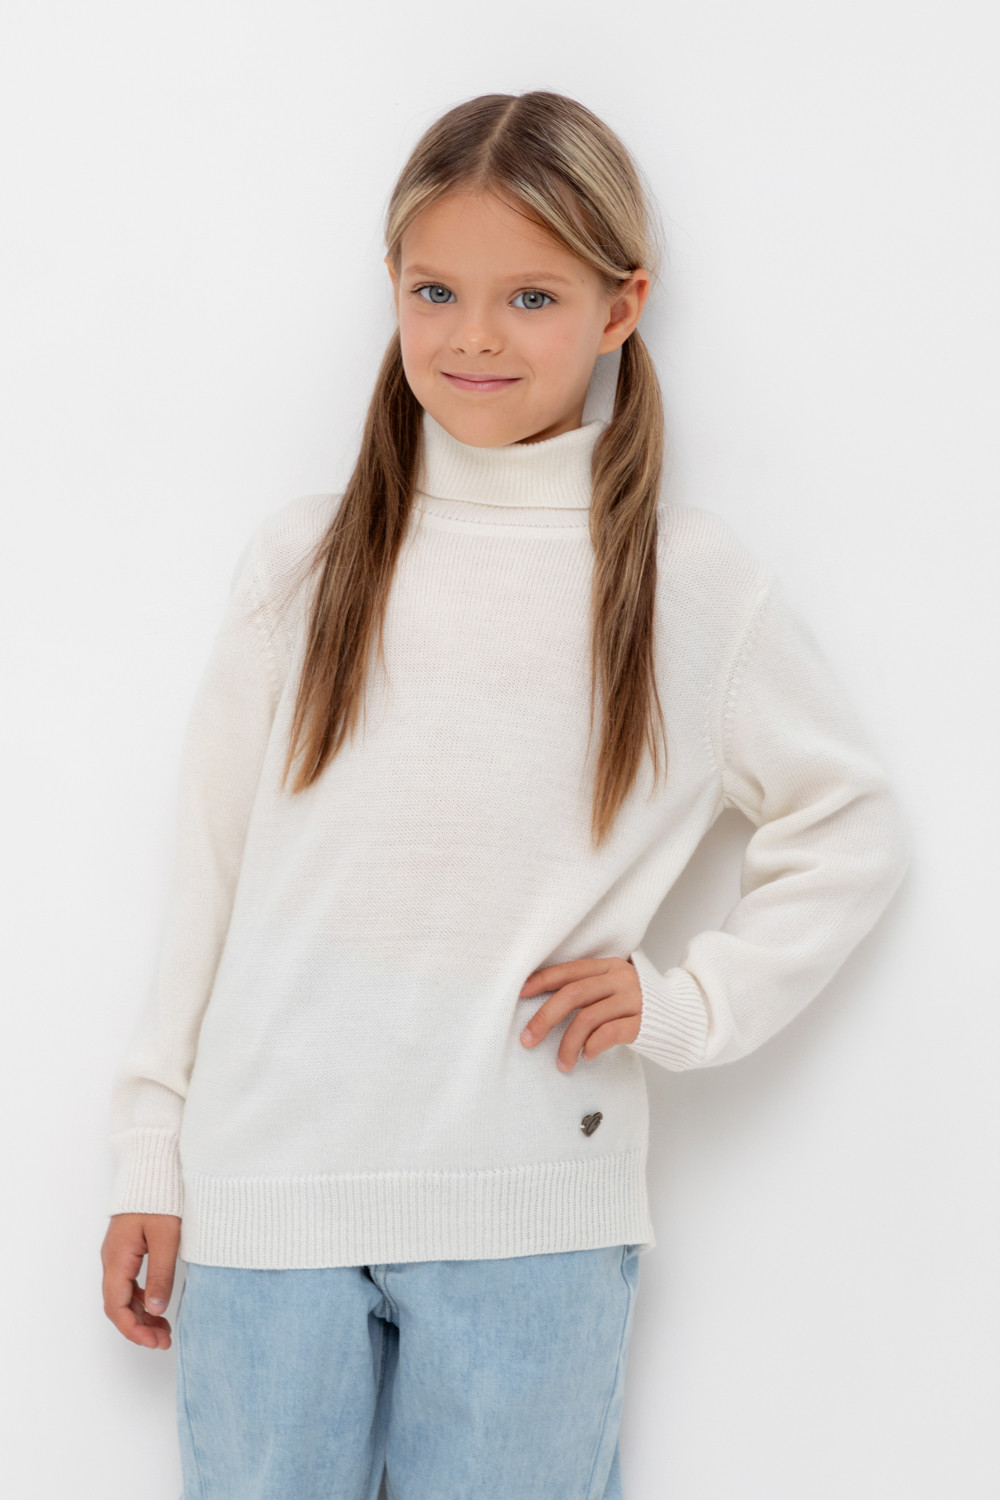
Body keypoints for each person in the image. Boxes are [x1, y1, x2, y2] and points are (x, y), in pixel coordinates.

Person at [100, 90, 911, 1499]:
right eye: (436, 291)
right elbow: (210, 875)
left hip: (530, 1213)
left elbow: (850, 824)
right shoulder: (302, 564)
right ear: (393, 290)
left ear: (619, 308)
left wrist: (687, 1001)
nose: (474, 335)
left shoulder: (685, 583)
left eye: (530, 296)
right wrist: (146, 1153)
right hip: (265, 1198)